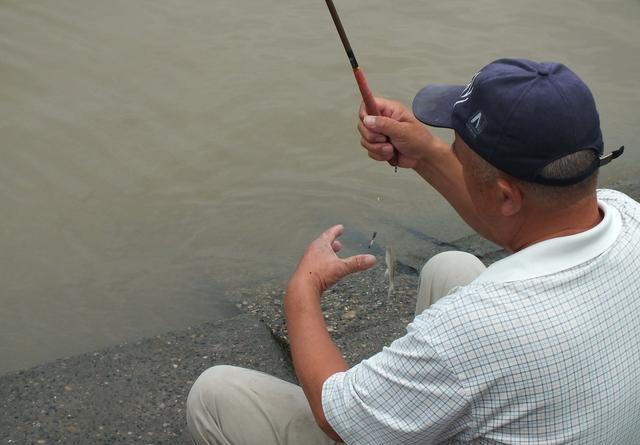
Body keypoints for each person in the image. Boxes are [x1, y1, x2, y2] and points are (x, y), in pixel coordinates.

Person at [186, 58, 640, 444]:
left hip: (493, 345)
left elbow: (335, 414)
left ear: (506, 196)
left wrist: (302, 290)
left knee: (216, 395)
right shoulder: (625, 217)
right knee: (452, 266)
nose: (452, 154)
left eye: (458, 150)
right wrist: (424, 154)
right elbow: (519, 221)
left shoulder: (477, 327)